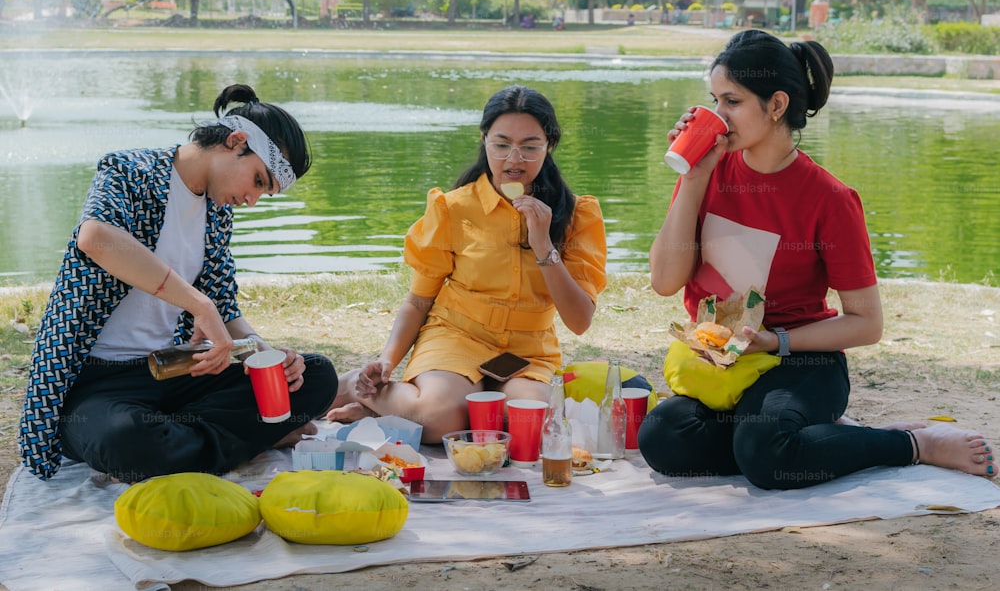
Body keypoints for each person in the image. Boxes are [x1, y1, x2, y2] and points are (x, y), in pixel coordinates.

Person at [638, 30, 994, 489]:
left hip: (800, 362)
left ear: (777, 105)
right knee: (664, 440)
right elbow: (665, 282)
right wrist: (692, 177)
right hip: (720, 358)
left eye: (731, 101)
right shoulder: (707, 172)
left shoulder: (830, 199)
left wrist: (776, 342)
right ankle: (813, 439)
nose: (715, 115)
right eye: (714, 99)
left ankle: (914, 444)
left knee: (764, 453)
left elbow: (867, 323)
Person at [19, 84, 338, 482]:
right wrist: (198, 304)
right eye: (258, 180)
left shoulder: (217, 213)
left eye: (265, 192)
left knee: (317, 376)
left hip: (177, 372)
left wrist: (269, 357)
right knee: (128, 439)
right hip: (99, 383)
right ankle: (239, 439)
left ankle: (186, 445)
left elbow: (224, 309)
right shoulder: (130, 170)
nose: (252, 199)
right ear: (235, 142)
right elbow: (96, 238)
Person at [327, 85, 607, 442]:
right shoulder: (454, 207)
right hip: (457, 336)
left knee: (529, 428)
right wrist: (387, 359)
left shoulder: (577, 214)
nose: (514, 159)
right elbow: (419, 300)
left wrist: (542, 244)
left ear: (548, 145)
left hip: (527, 348)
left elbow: (580, 320)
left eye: (530, 146)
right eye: (501, 144)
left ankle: (380, 412)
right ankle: (359, 388)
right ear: (484, 140)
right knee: (442, 418)